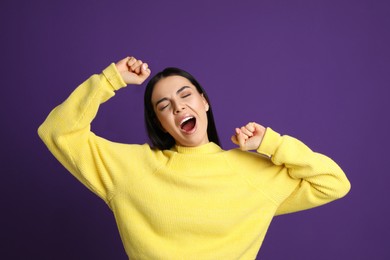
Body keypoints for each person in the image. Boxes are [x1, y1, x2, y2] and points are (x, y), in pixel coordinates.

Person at [38, 56, 351, 259]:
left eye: (185, 95)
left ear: (204, 102)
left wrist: (271, 142)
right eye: (164, 106)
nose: (177, 107)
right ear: (160, 122)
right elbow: (57, 131)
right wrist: (110, 80)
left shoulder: (250, 173)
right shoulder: (131, 169)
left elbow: (333, 183)